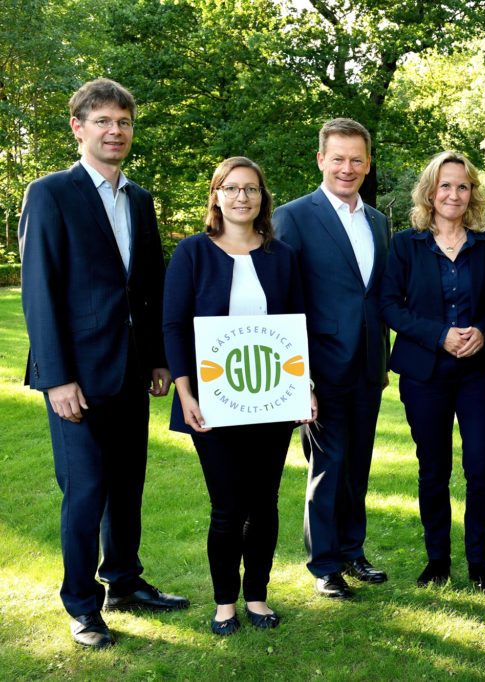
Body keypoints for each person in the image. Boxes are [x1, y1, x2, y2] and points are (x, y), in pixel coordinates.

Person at [18, 78, 188, 649]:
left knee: (127, 486)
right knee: (86, 490)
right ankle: (82, 606)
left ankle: (125, 582)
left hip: (131, 370)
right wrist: (56, 376)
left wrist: (160, 359)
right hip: (76, 378)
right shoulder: (49, 193)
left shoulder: (139, 199)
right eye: (103, 122)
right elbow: (39, 291)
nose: (115, 132)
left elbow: (149, 285)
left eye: (123, 122)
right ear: (78, 127)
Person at [163, 157, 314, 635]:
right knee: (228, 507)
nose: (242, 197)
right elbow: (173, 326)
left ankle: (258, 596)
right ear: (216, 195)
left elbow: (297, 327)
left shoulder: (282, 256)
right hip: (212, 401)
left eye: (251, 189)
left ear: (262, 198)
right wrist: (186, 394)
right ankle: (225, 601)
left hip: (272, 400)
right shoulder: (191, 253)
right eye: (232, 188)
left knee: (265, 503)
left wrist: (305, 387)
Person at [273, 118, 392, 599]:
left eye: (357, 159)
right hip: (319, 369)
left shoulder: (380, 221)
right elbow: (283, 300)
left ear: (367, 165)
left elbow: (376, 295)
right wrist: (297, 377)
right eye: (338, 158)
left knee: (357, 465)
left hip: (367, 365)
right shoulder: (293, 216)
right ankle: (324, 564)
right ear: (321, 159)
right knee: (327, 466)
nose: (348, 167)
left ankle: (351, 551)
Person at [380, 151, 485, 592]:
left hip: (476, 375)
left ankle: (478, 561)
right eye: (445, 185)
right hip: (424, 373)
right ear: (430, 191)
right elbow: (390, 306)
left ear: (473, 193)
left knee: (482, 466)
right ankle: (437, 560)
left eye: (463, 186)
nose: (454, 194)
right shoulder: (405, 244)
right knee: (432, 468)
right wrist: (440, 335)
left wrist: (483, 333)